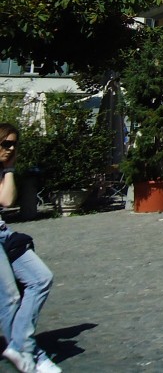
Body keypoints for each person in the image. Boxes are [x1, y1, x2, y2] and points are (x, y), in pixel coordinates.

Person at [0, 124, 60, 373]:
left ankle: (21, 347)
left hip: (3, 234)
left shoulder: (4, 169)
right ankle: (29, 354)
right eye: (6, 144)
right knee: (10, 297)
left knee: (41, 278)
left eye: (14, 144)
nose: (11, 148)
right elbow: (5, 200)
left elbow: (7, 200)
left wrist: (9, 168)